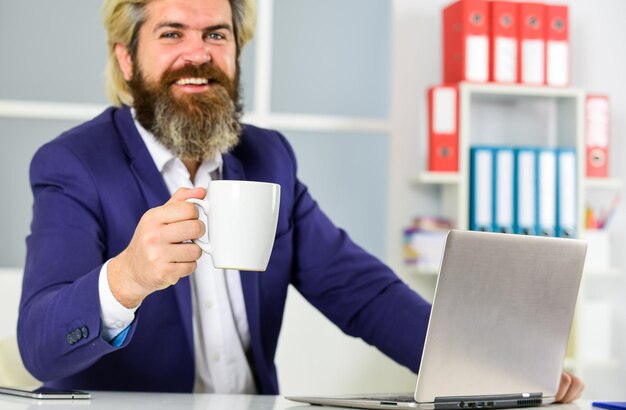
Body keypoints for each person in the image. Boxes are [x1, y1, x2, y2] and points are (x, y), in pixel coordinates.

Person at [17, 0, 584, 402]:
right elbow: (42, 348)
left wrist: (494, 365)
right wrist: (127, 279)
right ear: (126, 59)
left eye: (216, 34)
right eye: (171, 34)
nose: (198, 54)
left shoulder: (269, 159)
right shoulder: (74, 164)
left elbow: (361, 292)